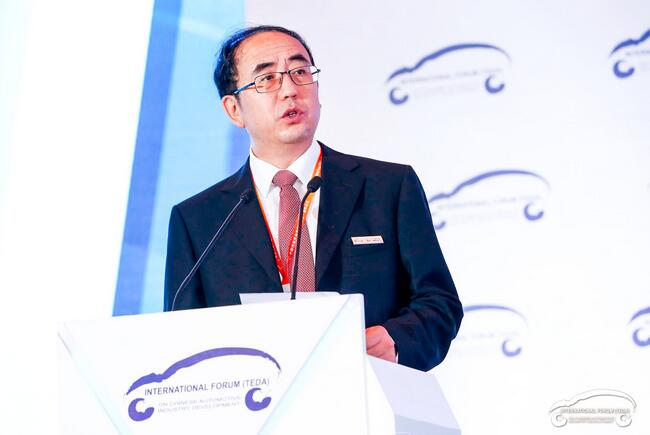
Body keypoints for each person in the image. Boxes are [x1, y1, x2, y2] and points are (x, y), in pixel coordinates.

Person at [164, 25, 462, 371]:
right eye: (267, 79)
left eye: (300, 72)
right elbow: (182, 339)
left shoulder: (388, 187)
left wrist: (395, 339)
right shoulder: (199, 221)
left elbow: (439, 302)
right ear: (234, 109)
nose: (290, 90)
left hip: (369, 390)